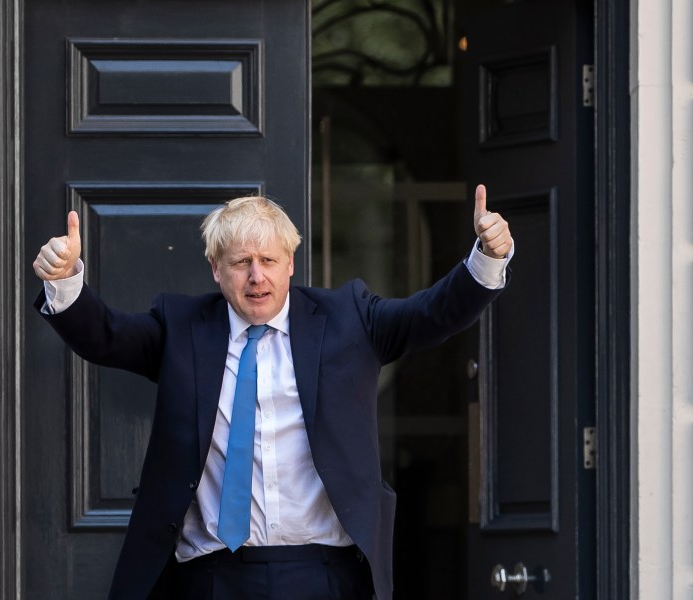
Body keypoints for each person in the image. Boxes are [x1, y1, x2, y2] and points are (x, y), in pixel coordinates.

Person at [32, 184, 513, 600]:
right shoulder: (181, 327)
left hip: (322, 574)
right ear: (215, 269)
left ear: (290, 264)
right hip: (211, 577)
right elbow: (108, 335)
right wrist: (65, 279)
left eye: (268, 261)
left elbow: (431, 314)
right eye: (240, 262)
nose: (256, 276)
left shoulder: (350, 318)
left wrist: (487, 258)